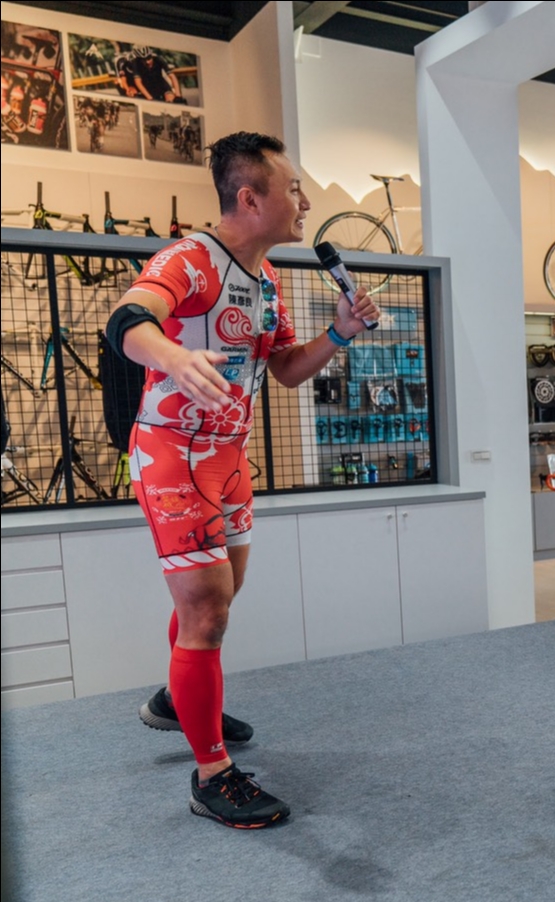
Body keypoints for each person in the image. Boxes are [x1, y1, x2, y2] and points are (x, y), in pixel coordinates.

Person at [112, 131, 380, 828]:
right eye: (294, 189)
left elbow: (285, 369)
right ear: (250, 198)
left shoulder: (266, 280)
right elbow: (128, 321)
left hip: (229, 461)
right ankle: (213, 776)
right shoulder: (189, 260)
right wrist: (172, 355)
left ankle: (178, 701)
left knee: (219, 600)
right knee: (206, 609)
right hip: (172, 454)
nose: (306, 202)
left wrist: (341, 332)